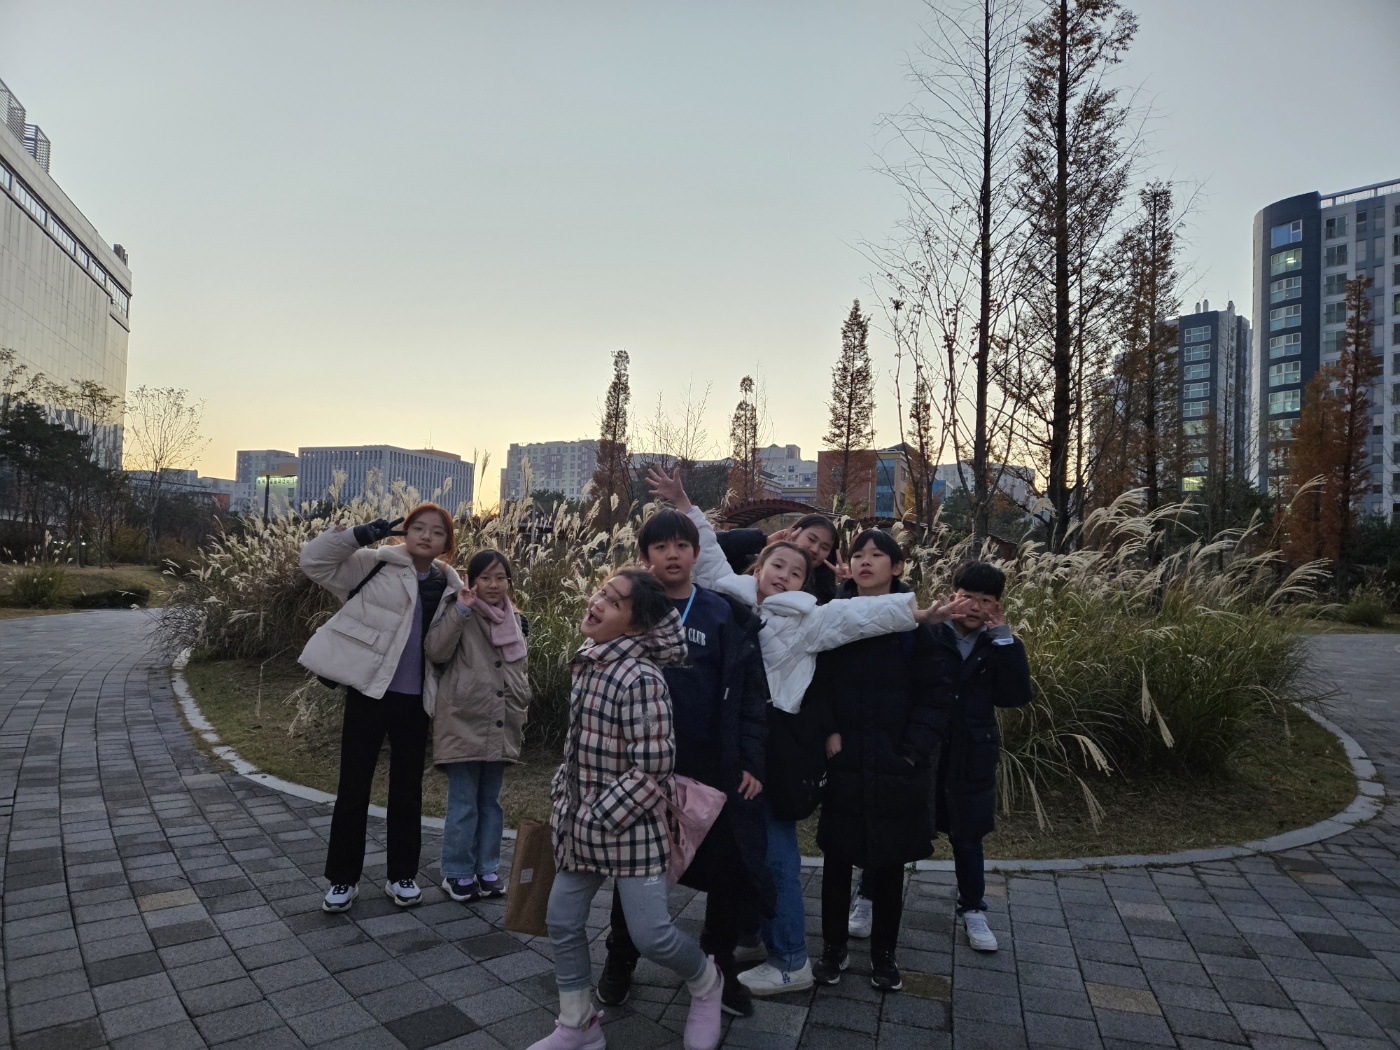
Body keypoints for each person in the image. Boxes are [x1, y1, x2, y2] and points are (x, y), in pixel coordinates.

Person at [646, 465, 974, 995]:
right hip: (738, 734)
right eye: (777, 565)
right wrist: (684, 502)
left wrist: (920, 614)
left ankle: (791, 957)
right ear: (759, 567)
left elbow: (861, 618)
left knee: (776, 845)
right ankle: (753, 932)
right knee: (743, 840)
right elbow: (706, 557)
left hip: (779, 743)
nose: (784, 576)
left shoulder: (810, 618)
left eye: (796, 572)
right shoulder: (733, 596)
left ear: (806, 583)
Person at [532, 569, 724, 1050]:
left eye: (614, 602)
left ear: (636, 626)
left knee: (652, 935)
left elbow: (654, 768)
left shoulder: (640, 677)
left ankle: (706, 981)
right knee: (562, 920)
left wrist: (598, 815)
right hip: (582, 821)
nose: (598, 602)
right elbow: (581, 747)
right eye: (602, 592)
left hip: (631, 828)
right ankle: (577, 1024)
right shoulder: (591, 660)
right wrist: (564, 790)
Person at [596, 510, 770, 1019]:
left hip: (713, 763)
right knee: (637, 865)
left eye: (681, 545)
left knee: (727, 868)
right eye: (660, 546)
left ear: (696, 553)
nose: (671, 554)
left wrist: (751, 760)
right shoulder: (630, 609)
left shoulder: (724, 613)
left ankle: (718, 968)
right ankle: (620, 959)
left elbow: (752, 694)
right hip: (643, 764)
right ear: (644, 556)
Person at [298, 504, 462, 913]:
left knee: (407, 790)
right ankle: (342, 879)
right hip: (369, 692)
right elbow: (313, 562)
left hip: (415, 700)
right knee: (353, 787)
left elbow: (475, 621)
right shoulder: (374, 563)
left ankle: (402, 875)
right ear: (404, 531)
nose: (426, 536)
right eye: (418, 527)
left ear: (447, 543)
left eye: (437, 532)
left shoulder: (450, 585)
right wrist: (357, 535)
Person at [809, 529, 945, 993]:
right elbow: (816, 681)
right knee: (836, 859)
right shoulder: (832, 616)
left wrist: (912, 751)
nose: (865, 561)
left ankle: (884, 955)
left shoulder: (916, 625)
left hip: (895, 760)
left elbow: (935, 694)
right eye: (858, 554)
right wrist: (829, 730)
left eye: (877, 555)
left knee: (889, 863)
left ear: (898, 566)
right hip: (845, 757)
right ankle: (833, 949)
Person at [922, 561, 1032, 952]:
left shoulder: (1000, 644)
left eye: (986, 600)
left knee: (967, 834)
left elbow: (1014, 696)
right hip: (925, 749)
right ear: (953, 596)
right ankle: (868, 896)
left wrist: (1005, 639)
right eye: (968, 596)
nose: (975, 606)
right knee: (901, 824)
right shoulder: (930, 633)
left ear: (997, 607)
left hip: (972, 753)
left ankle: (973, 908)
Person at [425, 549, 530, 903]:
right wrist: (461, 609)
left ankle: (487, 869)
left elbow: (517, 670)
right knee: (464, 802)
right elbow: (436, 650)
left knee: (491, 802)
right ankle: (456, 872)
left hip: (500, 720)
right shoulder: (458, 609)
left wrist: (522, 702)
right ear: (471, 580)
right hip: (464, 720)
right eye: (485, 577)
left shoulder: (514, 618)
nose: (493, 585)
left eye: (501, 578)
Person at [715, 513, 842, 603]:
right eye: (811, 539)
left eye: (824, 548)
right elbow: (711, 546)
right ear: (794, 532)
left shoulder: (825, 593)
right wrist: (763, 541)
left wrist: (848, 584)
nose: (815, 549)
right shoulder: (752, 567)